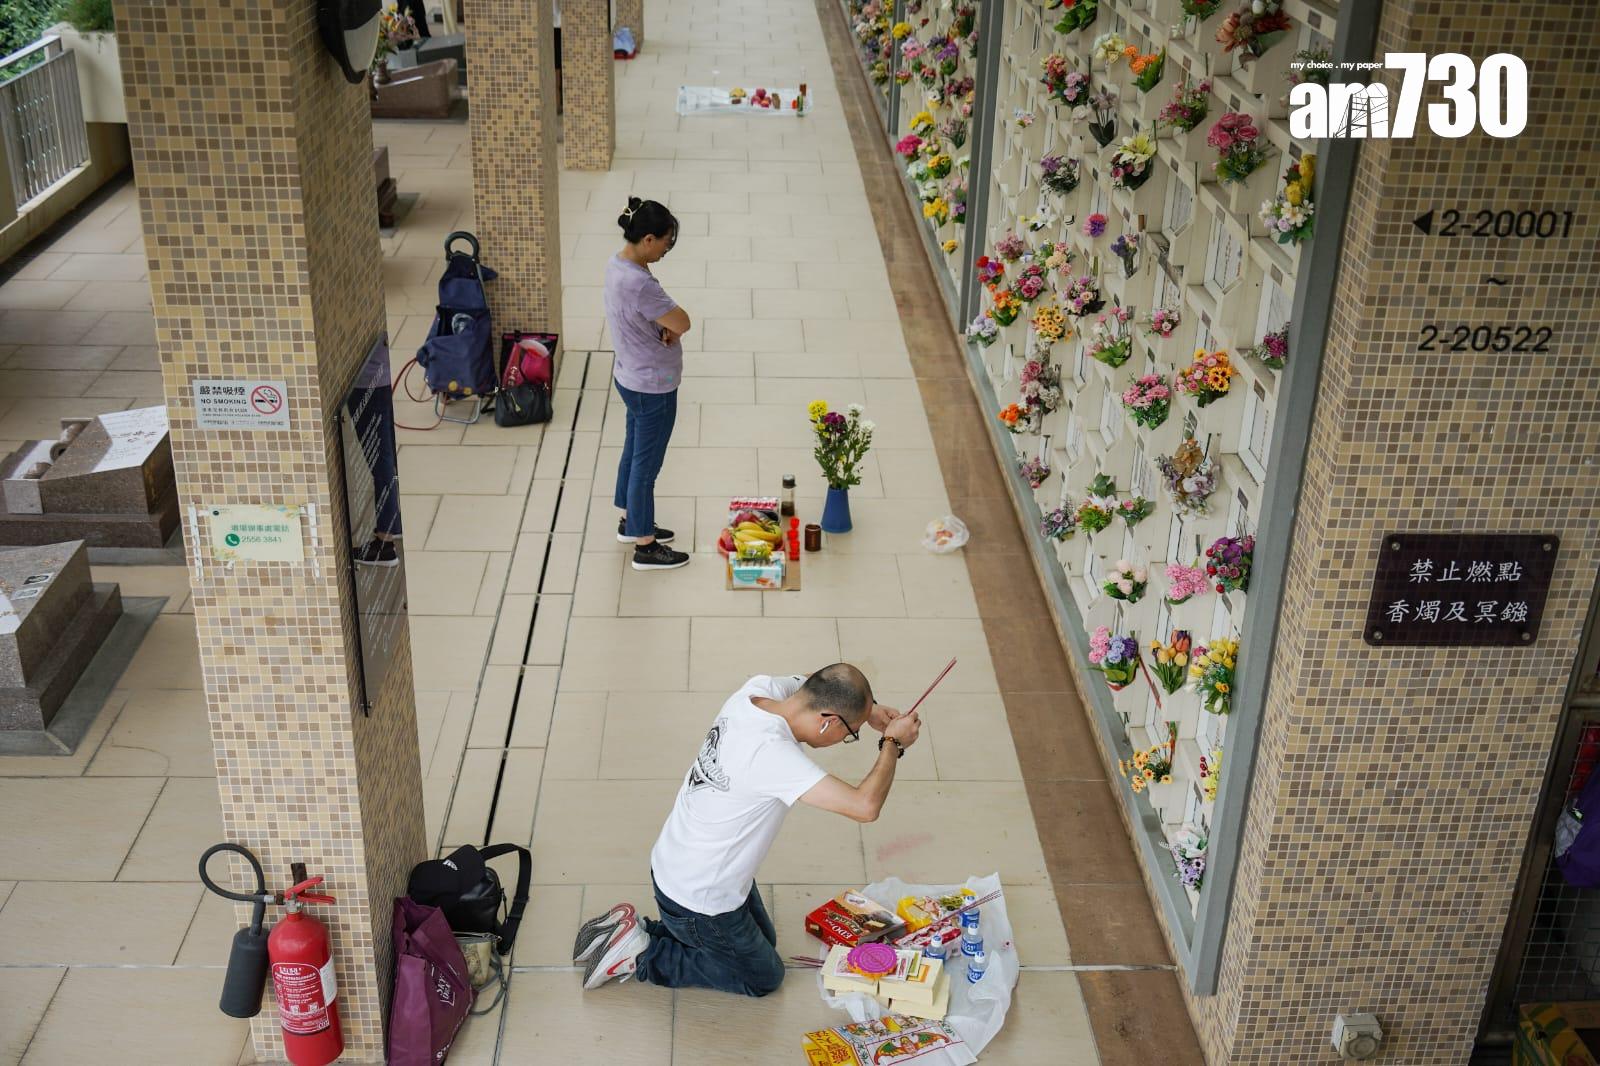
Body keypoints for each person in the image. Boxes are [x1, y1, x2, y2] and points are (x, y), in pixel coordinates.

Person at [572, 664, 923, 995]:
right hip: (699, 897)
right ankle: (641, 956)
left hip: (675, 864)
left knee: (764, 940)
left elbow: (817, 679)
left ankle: (634, 931)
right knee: (763, 975)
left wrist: (869, 709)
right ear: (827, 721)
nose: (850, 736)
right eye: (851, 732)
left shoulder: (757, 692)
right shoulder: (772, 755)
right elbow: (865, 806)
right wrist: (892, 744)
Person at [605, 198, 692, 571]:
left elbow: (638, 318)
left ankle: (631, 521)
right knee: (647, 462)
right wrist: (670, 328)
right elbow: (683, 321)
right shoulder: (640, 283)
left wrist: (660, 327)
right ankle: (645, 545)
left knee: (634, 448)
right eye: (665, 244)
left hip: (630, 375)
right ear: (648, 238)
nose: (665, 251)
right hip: (652, 384)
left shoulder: (617, 264)